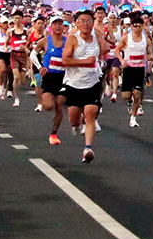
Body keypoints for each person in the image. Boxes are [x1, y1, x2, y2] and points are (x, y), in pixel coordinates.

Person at [61, 11, 108, 163]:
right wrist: (84, 62)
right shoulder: (73, 39)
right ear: (77, 24)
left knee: (90, 115)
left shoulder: (96, 37)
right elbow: (65, 60)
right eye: (82, 21)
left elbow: (106, 49)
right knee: (74, 119)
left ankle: (88, 148)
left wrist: (99, 39)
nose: (86, 24)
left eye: (89, 21)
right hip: (74, 83)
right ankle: (76, 125)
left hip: (93, 82)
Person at [34, 16, 67, 144]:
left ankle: (54, 133)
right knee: (48, 106)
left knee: (59, 104)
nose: (58, 27)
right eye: (55, 24)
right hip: (48, 77)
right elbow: (32, 54)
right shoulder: (45, 41)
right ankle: (43, 100)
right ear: (51, 26)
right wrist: (40, 67)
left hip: (63, 78)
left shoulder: (69, 41)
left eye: (60, 24)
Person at [115, 13, 151, 127]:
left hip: (139, 68)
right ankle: (130, 102)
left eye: (139, 26)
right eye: (134, 26)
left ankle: (133, 117)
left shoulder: (145, 39)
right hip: (128, 68)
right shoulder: (127, 38)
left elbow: (151, 52)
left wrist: (150, 57)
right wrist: (122, 60)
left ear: (142, 26)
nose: (137, 28)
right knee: (126, 95)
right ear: (131, 27)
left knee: (137, 93)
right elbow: (117, 50)